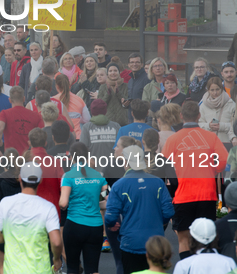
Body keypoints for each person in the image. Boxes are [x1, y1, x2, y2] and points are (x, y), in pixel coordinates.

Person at [162, 101, 229, 260]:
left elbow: (163, 165)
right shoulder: (210, 137)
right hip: (207, 194)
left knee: (184, 239)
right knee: (207, 239)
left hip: (183, 195)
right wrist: (214, 169)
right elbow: (224, 160)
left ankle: (187, 269)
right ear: (199, 116)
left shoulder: (173, 139)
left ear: (180, 116)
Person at [105, 145, 175, 273]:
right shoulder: (158, 182)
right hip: (156, 243)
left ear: (126, 162)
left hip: (130, 243)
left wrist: (112, 225)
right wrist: (159, 222)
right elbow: (169, 211)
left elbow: (110, 217)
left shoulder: (119, 185)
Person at [0, 161, 63, 274]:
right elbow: (56, 242)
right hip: (41, 270)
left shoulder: (6, 203)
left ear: (20, 178)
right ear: (41, 180)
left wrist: (10, 238)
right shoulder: (48, 207)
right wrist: (56, 259)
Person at [59, 143, 108, 274]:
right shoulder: (98, 176)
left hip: (74, 225)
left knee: (73, 268)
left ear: (71, 157)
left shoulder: (69, 176)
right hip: (95, 227)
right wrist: (94, 203)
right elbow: (106, 200)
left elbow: (63, 203)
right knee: (92, 269)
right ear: (87, 156)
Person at [0, 86, 43, 156]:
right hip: (29, 156)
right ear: (24, 99)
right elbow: (42, 135)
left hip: (11, 157)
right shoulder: (36, 115)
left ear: (10, 100)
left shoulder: (4, 114)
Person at [79, 99, 121, 172]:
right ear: (105, 111)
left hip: (94, 172)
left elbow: (82, 150)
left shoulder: (86, 127)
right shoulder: (116, 126)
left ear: (92, 111)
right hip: (113, 172)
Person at [198, 76, 237, 152]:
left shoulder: (231, 104)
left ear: (221, 89)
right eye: (212, 90)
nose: (215, 93)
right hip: (208, 144)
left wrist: (221, 126)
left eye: (217, 89)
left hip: (227, 144)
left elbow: (235, 125)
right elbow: (199, 124)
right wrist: (208, 126)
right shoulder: (203, 105)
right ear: (208, 90)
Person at [53, 74, 90, 140]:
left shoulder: (53, 101)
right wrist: (76, 117)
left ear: (57, 86)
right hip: (77, 137)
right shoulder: (79, 99)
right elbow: (87, 119)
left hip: (59, 138)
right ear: (68, 84)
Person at [98, 62, 128, 127]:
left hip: (122, 122)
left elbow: (127, 103)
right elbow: (100, 105)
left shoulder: (125, 86)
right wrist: (108, 93)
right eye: (110, 71)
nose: (113, 73)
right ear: (107, 73)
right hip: (107, 122)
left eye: (115, 70)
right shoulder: (103, 87)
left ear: (119, 72)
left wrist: (118, 93)